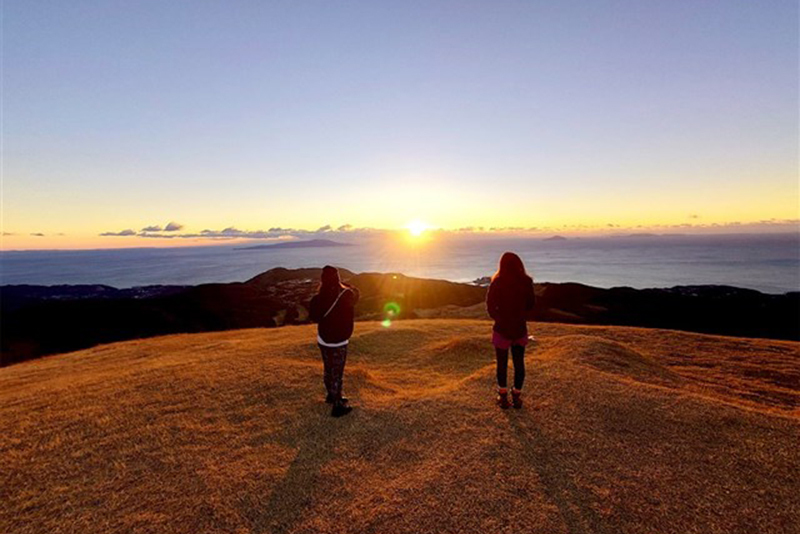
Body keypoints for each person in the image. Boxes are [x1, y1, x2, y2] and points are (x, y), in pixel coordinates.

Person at [309, 266, 360, 417]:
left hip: (324, 339)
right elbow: (357, 295)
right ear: (338, 278)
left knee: (328, 368)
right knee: (337, 372)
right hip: (339, 340)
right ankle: (338, 406)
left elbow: (314, 317)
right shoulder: (347, 294)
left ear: (322, 280)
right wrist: (344, 286)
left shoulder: (317, 299)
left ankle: (331, 396)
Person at [486, 252, 535, 409]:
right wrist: (519, 314)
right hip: (519, 328)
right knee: (519, 363)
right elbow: (531, 304)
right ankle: (516, 397)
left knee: (502, 364)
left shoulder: (497, 282)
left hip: (502, 328)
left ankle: (503, 398)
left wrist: (499, 318)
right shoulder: (526, 282)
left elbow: (490, 306)